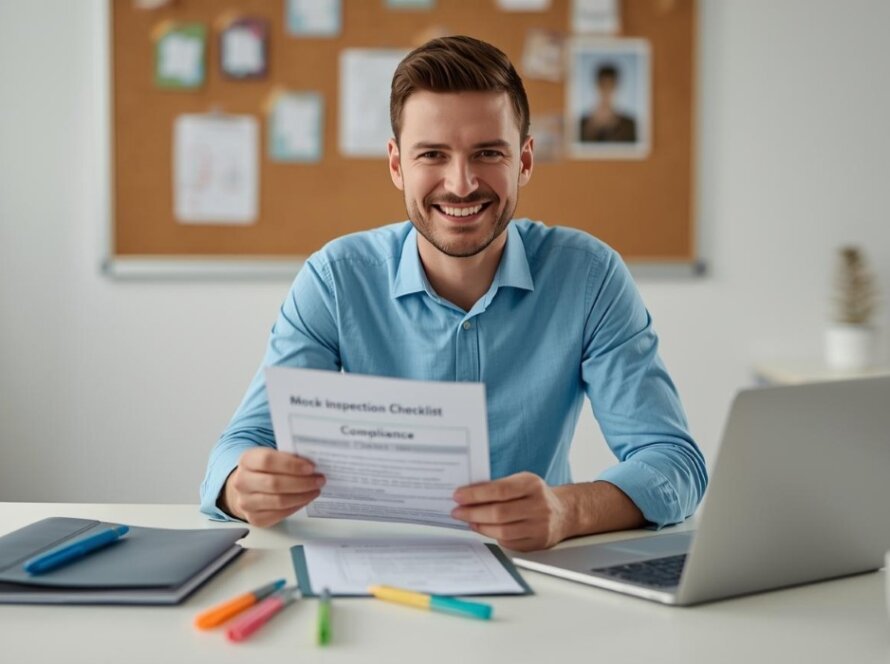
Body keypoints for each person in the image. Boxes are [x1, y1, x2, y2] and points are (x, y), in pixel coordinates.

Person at [200, 35, 707, 552]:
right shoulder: (335, 279)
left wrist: (566, 510)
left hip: (538, 577)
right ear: (397, 165)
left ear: (524, 161)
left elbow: (674, 462)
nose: (461, 184)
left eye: (487, 153)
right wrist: (242, 488)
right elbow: (238, 449)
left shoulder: (588, 277)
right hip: (379, 573)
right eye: (433, 155)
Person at [578, 63, 637, 143]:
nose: (606, 91)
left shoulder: (629, 125)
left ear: (616, 87)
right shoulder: (581, 123)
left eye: (610, 85)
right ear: (597, 86)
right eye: (603, 85)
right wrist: (591, 128)